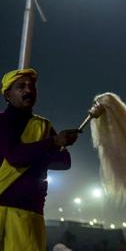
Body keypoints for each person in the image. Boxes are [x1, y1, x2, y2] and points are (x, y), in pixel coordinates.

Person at [0, 69, 79, 250]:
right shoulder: (1, 122)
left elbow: (64, 162)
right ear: (7, 94)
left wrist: (48, 147)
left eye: (32, 86)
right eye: (21, 86)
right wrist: (52, 143)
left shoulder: (43, 126)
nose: (28, 90)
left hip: (29, 214)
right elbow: (15, 156)